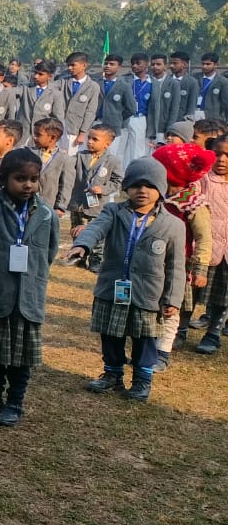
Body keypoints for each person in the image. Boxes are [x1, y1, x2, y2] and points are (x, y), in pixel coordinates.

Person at [66, 156, 187, 401]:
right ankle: (112, 373)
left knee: (145, 338)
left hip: (147, 293)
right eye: (136, 185)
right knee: (111, 334)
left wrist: (173, 299)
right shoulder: (113, 211)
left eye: (150, 185)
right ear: (127, 187)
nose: (142, 190)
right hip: (112, 289)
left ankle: (142, 380)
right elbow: (95, 228)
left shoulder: (173, 225)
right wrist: (82, 245)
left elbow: (176, 267)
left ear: (161, 189)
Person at [0, 148, 60, 428]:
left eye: (33, 179)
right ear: (4, 179)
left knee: (20, 358)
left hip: (27, 300)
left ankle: (15, 402)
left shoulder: (47, 215)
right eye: (20, 178)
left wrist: (34, 277)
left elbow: (49, 252)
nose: (28, 185)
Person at [150, 142, 214, 372]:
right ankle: (147, 350)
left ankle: (163, 353)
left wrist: (200, 268)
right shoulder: (156, 195)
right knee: (149, 307)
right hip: (151, 263)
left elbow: (204, 238)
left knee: (170, 310)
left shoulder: (193, 203)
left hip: (177, 265)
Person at [69, 123, 122, 268]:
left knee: (96, 233)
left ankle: (96, 261)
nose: (90, 142)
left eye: (95, 139)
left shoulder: (113, 161)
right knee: (76, 231)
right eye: (89, 138)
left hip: (96, 206)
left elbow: (118, 181)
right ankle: (78, 258)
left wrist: (103, 189)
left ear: (107, 144)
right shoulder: (80, 156)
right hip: (77, 203)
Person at [195, 137, 228, 354]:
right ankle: (179, 330)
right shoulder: (202, 179)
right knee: (191, 293)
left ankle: (214, 333)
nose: (222, 159)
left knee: (223, 296)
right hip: (206, 248)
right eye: (217, 154)